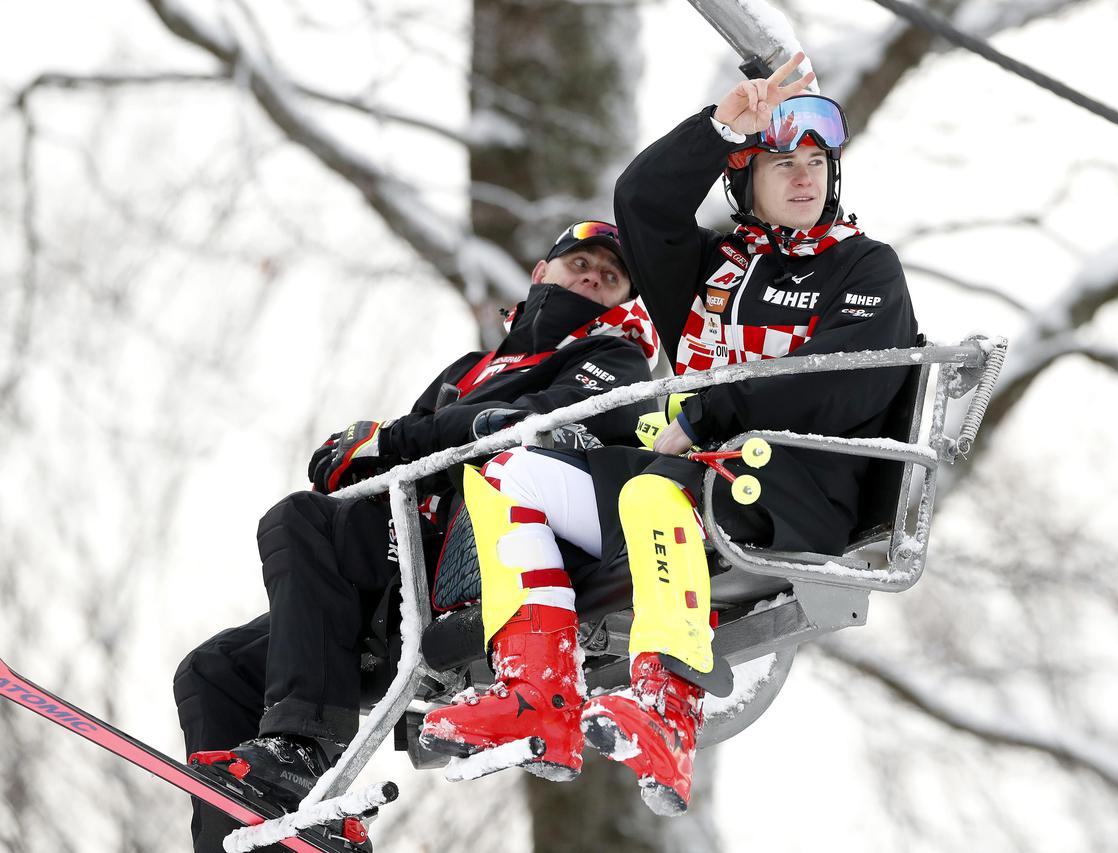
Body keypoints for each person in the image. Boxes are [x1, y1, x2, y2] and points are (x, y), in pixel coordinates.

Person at [418, 52, 920, 816]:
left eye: (816, 162)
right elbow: (643, 202)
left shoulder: (863, 267)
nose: (804, 178)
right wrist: (722, 128)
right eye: (782, 163)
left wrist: (708, 412)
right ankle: (537, 693)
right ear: (744, 182)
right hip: (696, 472)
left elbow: (840, 380)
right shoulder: (713, 270)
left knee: (657, 492)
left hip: (797, 484)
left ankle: (668, 705)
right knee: (509, 475)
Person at [173, 221, 659, 852]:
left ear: (623, 300)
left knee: (301, 519)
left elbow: (525, 424)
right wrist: (356, 456)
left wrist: (399, 439)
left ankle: (301, 749)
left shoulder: (614, 357)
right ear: (542, 272)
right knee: (213, 670)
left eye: (610, 277)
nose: (593, 278)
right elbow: (410, 446)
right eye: (580, 264)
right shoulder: (474, 368)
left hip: (474, 547)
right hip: (404, 544)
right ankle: (255, 830)